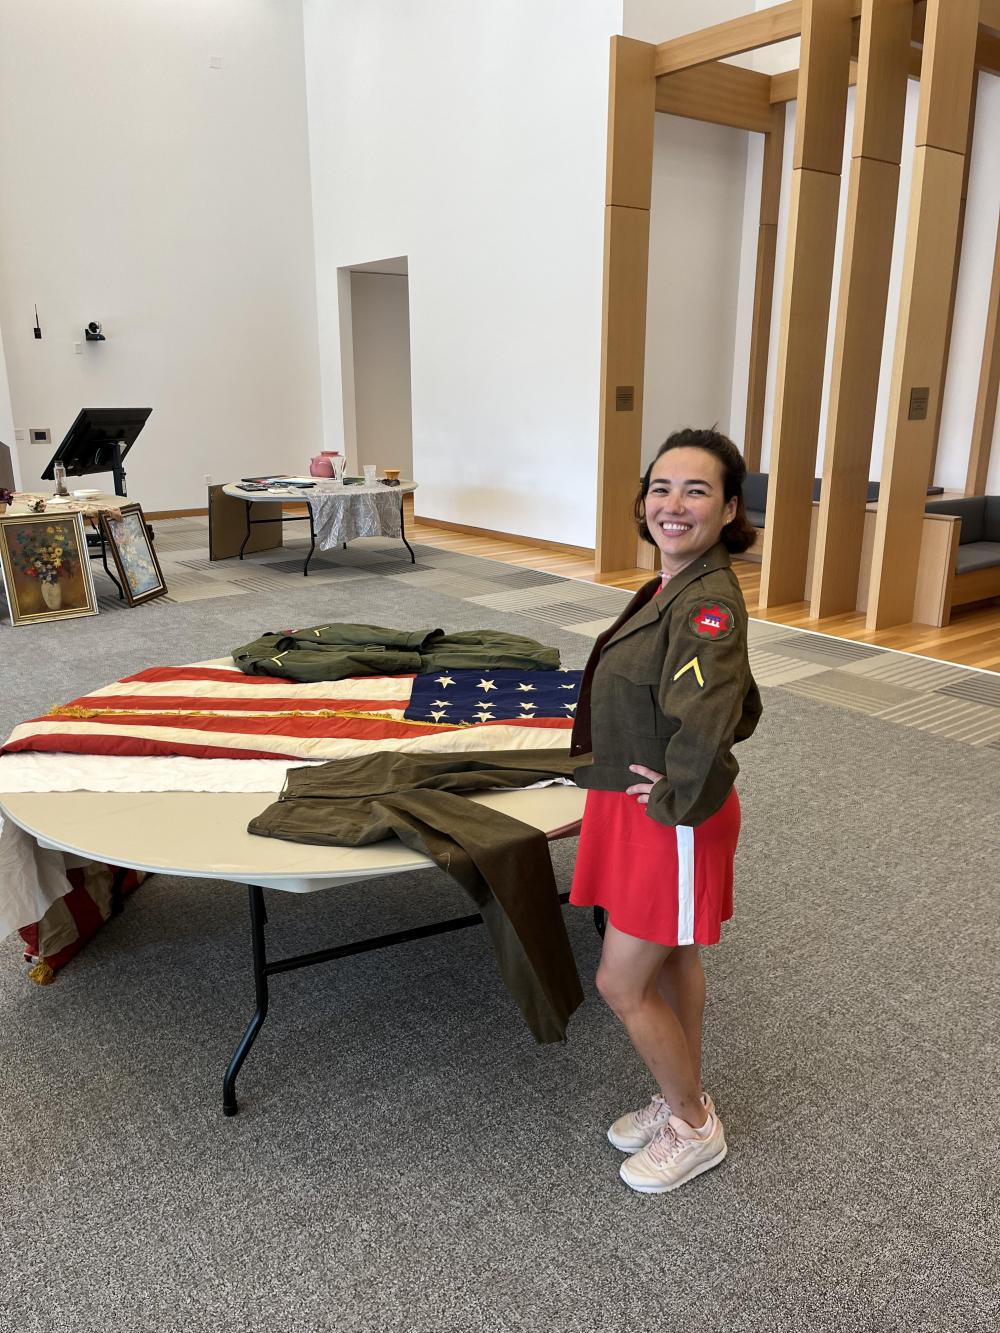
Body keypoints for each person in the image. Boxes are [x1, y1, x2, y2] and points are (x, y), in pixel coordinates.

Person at [569, 427, 762, 1194]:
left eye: (696, 490)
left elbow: (713, 714)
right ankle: (684, 1093)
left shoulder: (706, 603)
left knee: (621, 982)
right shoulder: (672, 583)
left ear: (729, 509)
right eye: (660, 487)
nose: (672, 504)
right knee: (674, 954)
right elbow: (743, 702)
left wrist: (675, 794)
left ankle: (693, 1126)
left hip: (673, 816)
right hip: (640, 802)